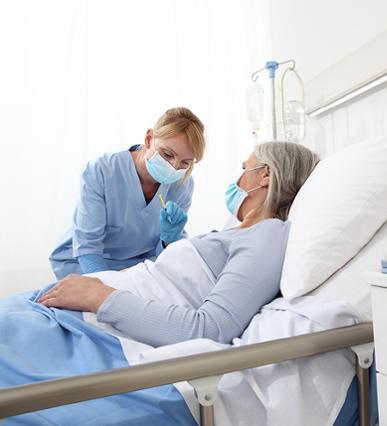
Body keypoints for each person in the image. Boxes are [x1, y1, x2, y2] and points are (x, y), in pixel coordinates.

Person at [37, 142, 319, 346]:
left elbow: (210, 329)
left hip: (102, 321)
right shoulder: (237, 232)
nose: (238, 178)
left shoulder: (268, 236)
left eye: (245, 168)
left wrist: (99, 296)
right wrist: (98, 283)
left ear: (265, 174)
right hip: (88, 305)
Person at [49, 107, 206, 280]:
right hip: (85, 265)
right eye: (167, 154)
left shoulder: (182, 185)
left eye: (185, 162)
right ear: (148, 139)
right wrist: (109, 287)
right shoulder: (102, 171)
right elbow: (88, 248)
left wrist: (169, 240)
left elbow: (166, 258)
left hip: (137, 269)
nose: (174, 167)